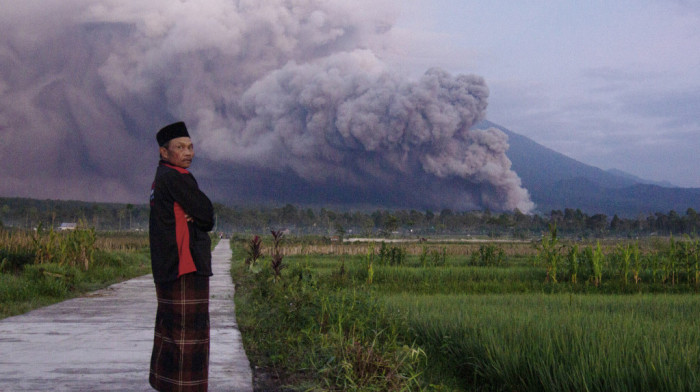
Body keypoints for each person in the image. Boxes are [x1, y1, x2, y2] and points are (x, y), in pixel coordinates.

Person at [148, 121, 215, 391]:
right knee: (190, 336)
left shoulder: (161, 178)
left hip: (169, 268)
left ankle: (166, 384)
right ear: (164, 152)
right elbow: (207, 214)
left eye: (190, 147)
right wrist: (198, 215)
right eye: (180, 147)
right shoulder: (176, 177)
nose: (188, 152)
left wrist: (196, 215)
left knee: (171, 332)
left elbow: (199, 213)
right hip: (184, 268)